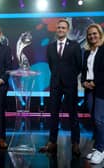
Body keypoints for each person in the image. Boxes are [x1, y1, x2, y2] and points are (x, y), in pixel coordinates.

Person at [39, 19, 82, 156]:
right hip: (55, 84)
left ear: (67, 30)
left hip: (70, 84)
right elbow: (52, 65)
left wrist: (68, 77)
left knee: (73, 114)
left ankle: (75, 143)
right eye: (59, 28)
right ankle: (52, 142)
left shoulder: (74, 45)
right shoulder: (50, 47)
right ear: (56, 29)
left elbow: (79, 65)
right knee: (53, 114)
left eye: (63, 28)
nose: (60, 30)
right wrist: (59, 76)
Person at [81, 24, 104, 164]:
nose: (92, 36)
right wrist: (84, 81)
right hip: (89, 87)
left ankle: (101, 150)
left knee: (99, 119)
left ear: (100, 34)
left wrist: (95, 82)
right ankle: (97, 147)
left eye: (94, 34)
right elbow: (84, 70)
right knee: (93, 118)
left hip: (101, 87)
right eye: (90, 34)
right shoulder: (87, 52)